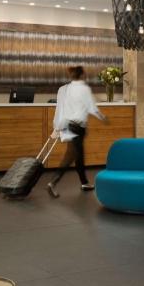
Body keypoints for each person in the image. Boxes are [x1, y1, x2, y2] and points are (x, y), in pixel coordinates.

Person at [47, 66, 106, 197]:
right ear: (81, 75)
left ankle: (84, 183)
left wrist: (57, 127)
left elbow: (60, 109)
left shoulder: (63, 89)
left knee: (78, 155)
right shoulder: (84, 89)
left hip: (67, 126)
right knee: (70, 157)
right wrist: (103, 118)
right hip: (77, 128)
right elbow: (92, 108)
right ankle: (52, 183)